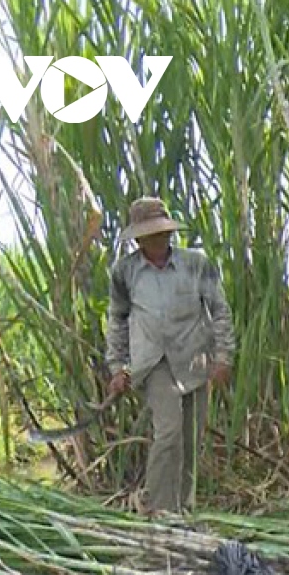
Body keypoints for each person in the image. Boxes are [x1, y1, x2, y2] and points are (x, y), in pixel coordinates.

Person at [104, 196, 236, 514]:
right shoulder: (125, 272)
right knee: (169, 433)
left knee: (191, 439)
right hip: (153, 363)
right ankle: (160, 510)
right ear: (138, 238)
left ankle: (183, 508)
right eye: (150, 234)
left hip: (194, 358)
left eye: (162, 231)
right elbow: (117, 319)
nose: (158, 238)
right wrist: (117, 366)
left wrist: (223, 357)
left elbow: (219, 310)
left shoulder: (196, 263)